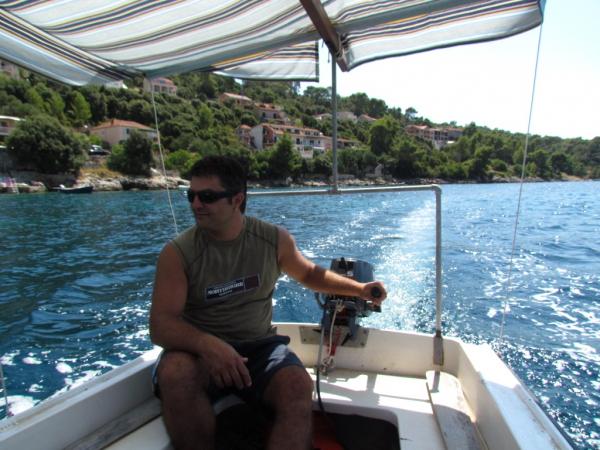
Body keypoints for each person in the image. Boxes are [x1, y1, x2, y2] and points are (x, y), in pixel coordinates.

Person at [150, 155, 387, 450]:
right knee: (175, 373)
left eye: (207, 197)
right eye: (191, 196)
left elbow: (309, 274)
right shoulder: (177, 254)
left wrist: (360, 289)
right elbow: (161, 325)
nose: (196, 204)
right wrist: (209, 346)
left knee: (297, 386)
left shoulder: (272, 240)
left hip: (258, 348)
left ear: (237, 199)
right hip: (199, 353)